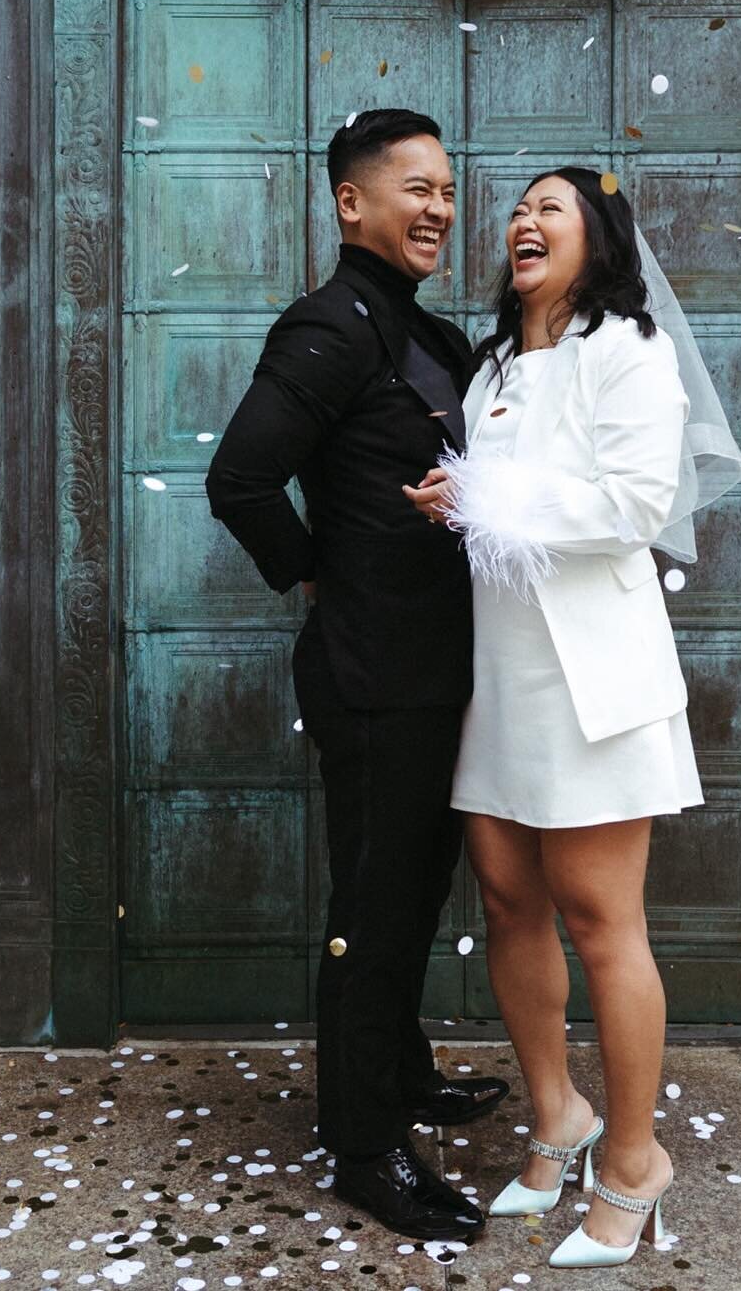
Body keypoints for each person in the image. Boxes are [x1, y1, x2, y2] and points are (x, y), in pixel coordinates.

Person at [403, 165, 741, 1269]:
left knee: (602, 924)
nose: (521, 223)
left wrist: (498, 500)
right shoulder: (498, 359)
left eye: (550, 208)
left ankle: (638, 1162)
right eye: (518, 211)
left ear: (600, 239)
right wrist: (449, 498)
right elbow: (496, 506)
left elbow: (641, 504)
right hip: (498, 677)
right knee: (507, 900)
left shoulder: (627, 352)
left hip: (593, 684)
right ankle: (558, 1115)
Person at [204, 108, 508, 1246]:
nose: (438, 207)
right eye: (414, 188)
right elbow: (240, 481)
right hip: (373, 674)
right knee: (372, 914)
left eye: (445, 188)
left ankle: (399, 1074)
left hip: (437, 672)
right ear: (351, 203)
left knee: (415, 895)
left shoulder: (422, 332)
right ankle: (364, 1146)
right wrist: (316, 576)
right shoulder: (329, 328)